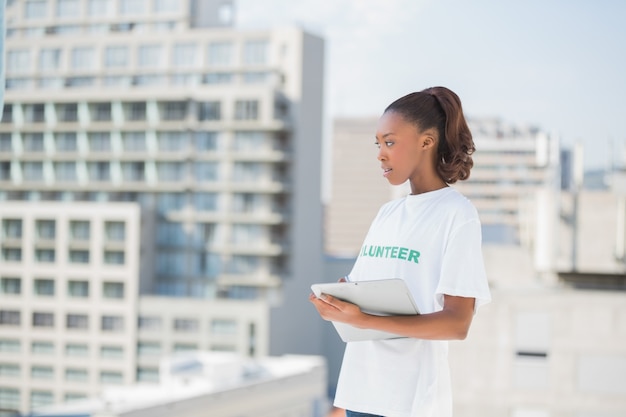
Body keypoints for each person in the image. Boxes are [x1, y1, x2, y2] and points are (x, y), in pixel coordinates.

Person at [310, 86, 492, 417]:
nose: (380, 153)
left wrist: (363, 319)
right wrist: (341, 304)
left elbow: (457, 323)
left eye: (390, 142)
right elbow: (363, 300)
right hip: (360, 395)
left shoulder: (457, 214)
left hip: (411, 402)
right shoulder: (387, 214)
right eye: (378, 144)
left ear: (427, 141)